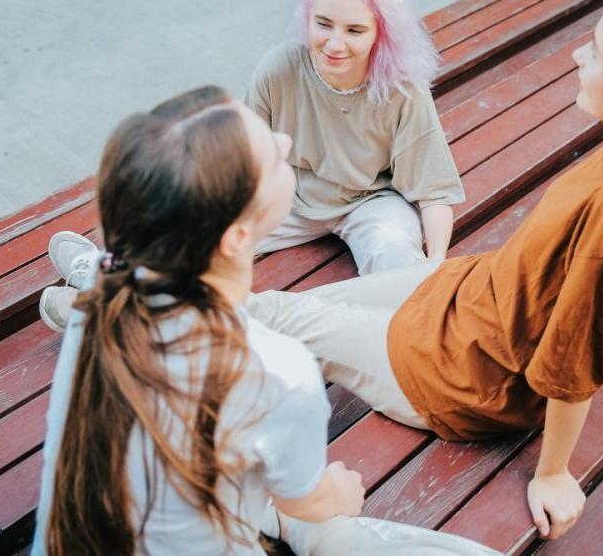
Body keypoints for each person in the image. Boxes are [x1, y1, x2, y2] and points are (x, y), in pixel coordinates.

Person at [246, 0, 603, 542]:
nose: (578, 54)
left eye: (597, 51)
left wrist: (552, 474)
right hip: (468, 294)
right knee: (278, 311)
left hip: (457, 375)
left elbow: (575, 359)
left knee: (275, 320)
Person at [30, 90, 497, 555]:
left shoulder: (105, 301)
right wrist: (337, 492)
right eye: (272, 157)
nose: (286, 145)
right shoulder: (279, 369)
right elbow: (309, 502)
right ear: (236, 237)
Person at [38, 0, 464, 333]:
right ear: (306, 19)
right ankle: (104, 279)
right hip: (292, 192)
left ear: (380, 35)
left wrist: (434, 266)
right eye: (323, 24)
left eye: (355, 30)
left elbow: (434, 190)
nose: (335, 43)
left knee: (396, 258)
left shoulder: (402, 90)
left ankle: (414, 327)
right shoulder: (280, 68)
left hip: (372, 199)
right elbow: (241, 155)